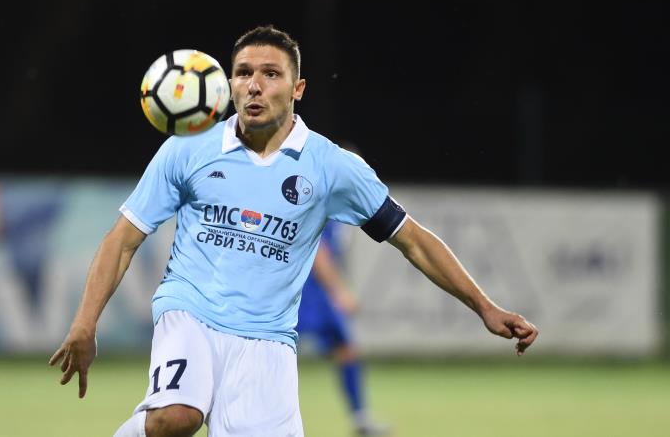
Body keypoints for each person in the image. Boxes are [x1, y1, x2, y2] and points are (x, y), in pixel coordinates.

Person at [50, 24, 538, 437]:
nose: (254, 86)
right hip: (190, 311)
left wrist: (485, 307)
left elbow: (413, 240)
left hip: (268, 338)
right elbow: (123, 239)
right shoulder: (189, 147)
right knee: (176, 417)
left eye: (270, 74)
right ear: (227, 84)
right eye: (243, 73)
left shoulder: (332, 167)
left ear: (298, 88)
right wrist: (85, 323)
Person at [296, 219, 389, 436]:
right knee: (282, 354)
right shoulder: (326, 207)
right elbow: (317, 249)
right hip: (307, 293)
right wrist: (339, 291)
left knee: (346, 350)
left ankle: (361, 418)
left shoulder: (340, 214)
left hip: (317, 294)